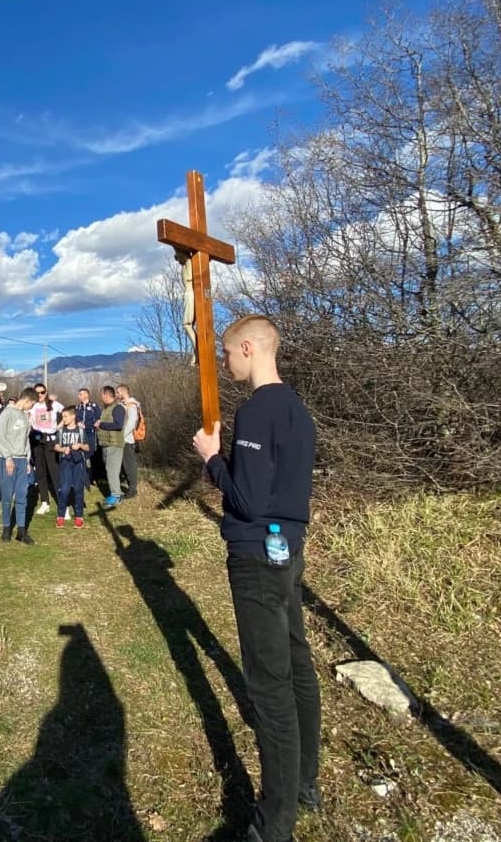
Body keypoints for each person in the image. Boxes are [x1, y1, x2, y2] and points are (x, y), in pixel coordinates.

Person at [192, 315, 320, 842]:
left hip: (256, 560)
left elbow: (246, 499)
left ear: (249, 347)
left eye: (228, 353)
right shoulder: (297, 410)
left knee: (269, 688)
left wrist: (211, 460)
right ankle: (304, 784)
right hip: (290, 550)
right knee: (297, 663)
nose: (226, 363)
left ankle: (275, 823)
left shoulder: (257, 411)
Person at [0, 389, 36, 544]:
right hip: (7, 460)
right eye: (31, 404)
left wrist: (27, 460)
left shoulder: (25, 417)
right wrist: (8, 457)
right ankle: (6, 527)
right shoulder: (7, 413)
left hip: (21, 460)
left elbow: (26, 440)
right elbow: (0, 436)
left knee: (22, 496)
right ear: (26, 400)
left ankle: (21, 530)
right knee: (7, 497)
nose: (31, 407)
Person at [28, 383, 63, 516]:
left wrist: (58, 427)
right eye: (37, 393)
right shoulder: (32, 406)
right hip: (37, 441)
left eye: (42, 392)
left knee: (54, 471)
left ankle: (62, 503)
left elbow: (67, 413)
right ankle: (44, 502)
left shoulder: (54, 404)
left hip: (51, 441)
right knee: (40, 472)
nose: (40, 395)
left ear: (46, 392)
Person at [52, 406, 89, 528]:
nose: (63, 419)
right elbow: (55, 446)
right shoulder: (62, 431)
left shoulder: (81, 431)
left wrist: (79, 446)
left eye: (65, 416)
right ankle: (60, 516)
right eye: (62, 417)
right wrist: (63, 449)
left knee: (78, 488)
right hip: (65, 462)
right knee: (64, 489)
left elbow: (88, 447)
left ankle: (79, 517)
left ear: (73, 416)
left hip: (78, 462)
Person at [95, 385, 127, 509]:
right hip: (107, 444)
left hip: (114, 444)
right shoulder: (106, 409)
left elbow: (118, 425)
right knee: (110, 470)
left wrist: (101, 424)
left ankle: (116, 496)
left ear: (106, 395)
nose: (100, 397)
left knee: (112, 470)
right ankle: (115, 493)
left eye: (101, 394)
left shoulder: (117, 408)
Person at [117, 383, 140, 500]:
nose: (117, 394)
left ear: (123, 392)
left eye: (118, 392)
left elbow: (132, 421)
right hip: (122, 439)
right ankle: (129, 487)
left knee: (129, 465)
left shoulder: (131, 404)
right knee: (124, 465)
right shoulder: (123, 404)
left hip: (127, 440)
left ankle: (132, 490)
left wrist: (122, 435)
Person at [75, 387, 101, 485]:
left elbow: (99, 418)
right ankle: (83, 477)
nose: (81, 396)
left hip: (91, 433)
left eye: (83, 394)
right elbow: (75, 418)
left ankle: (94, 477)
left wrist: (96, 423)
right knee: (82, 455)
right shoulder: (78, 407)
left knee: (92, 454)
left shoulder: (94, 406)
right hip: (81, 434)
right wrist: (78, 423)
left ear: (87, 395)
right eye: (79, 394)